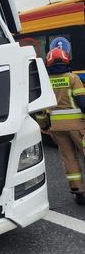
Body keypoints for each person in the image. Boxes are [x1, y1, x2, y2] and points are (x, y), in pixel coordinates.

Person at [45, 47, 85, 205]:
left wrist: (45, 125)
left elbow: (42, 110)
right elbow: (82, 102)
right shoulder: (73, 78)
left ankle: (78, 191)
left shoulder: (46, 82)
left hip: (57, 128)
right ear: (66, 60)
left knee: (69, 159)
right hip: (77, 126)